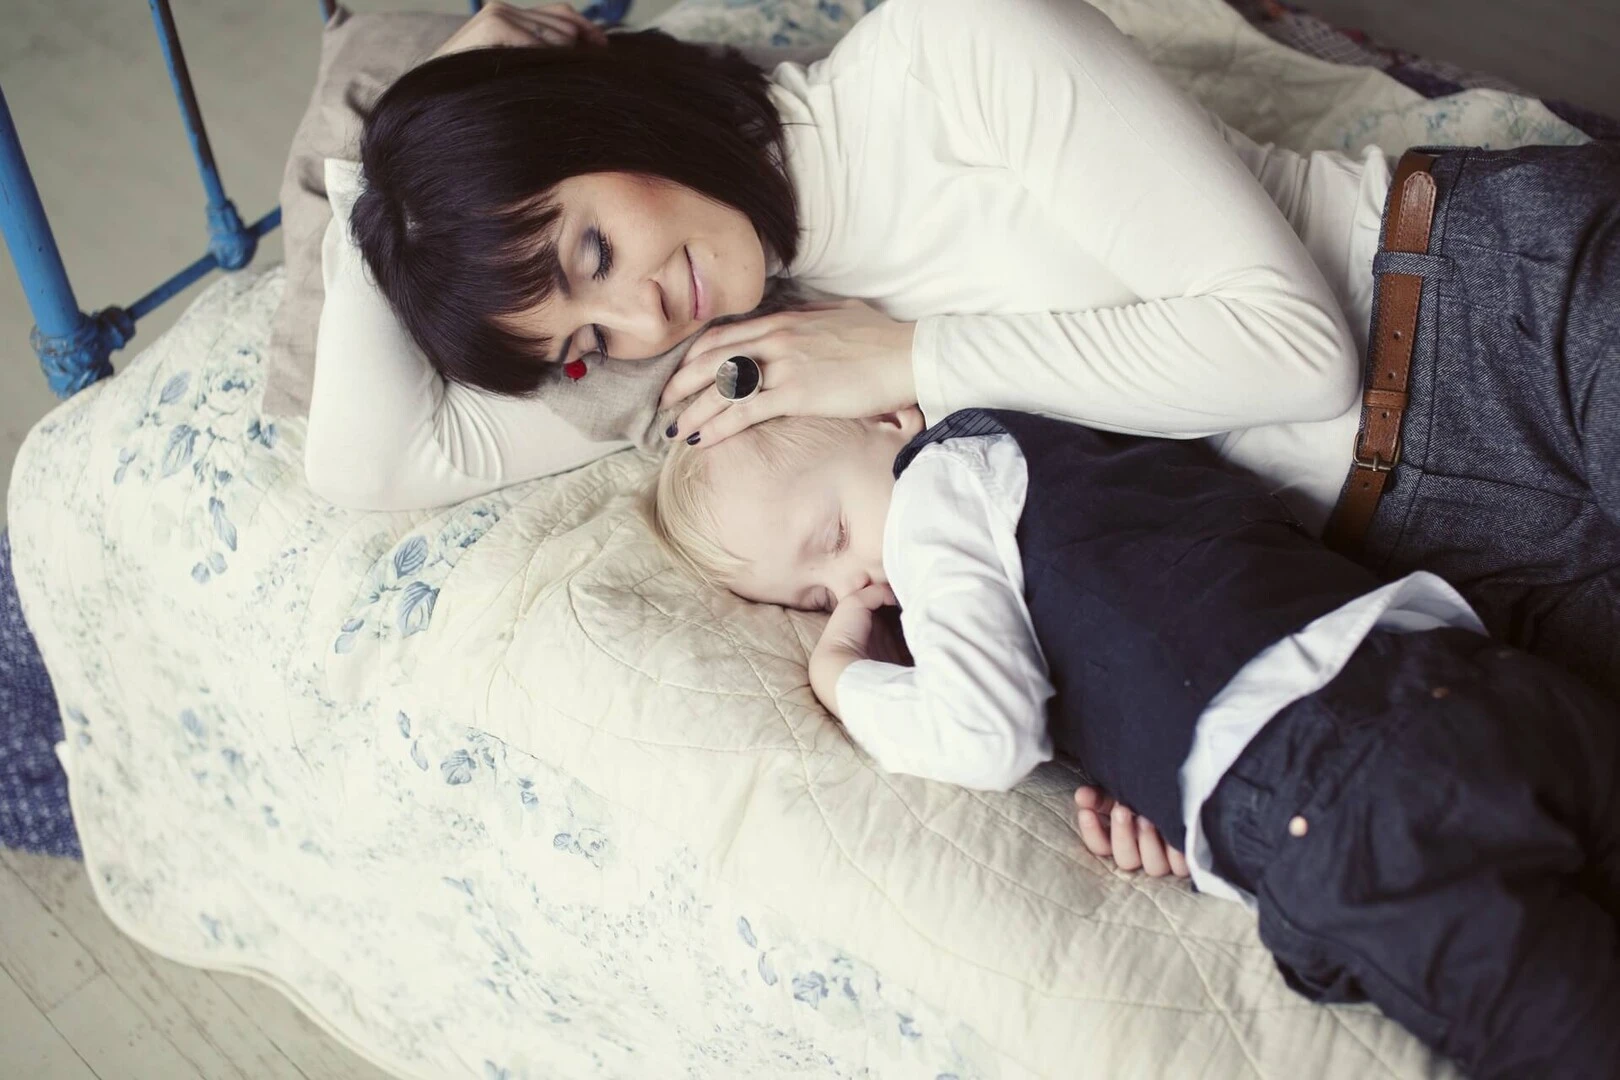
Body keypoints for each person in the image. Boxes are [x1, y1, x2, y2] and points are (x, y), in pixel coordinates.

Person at [309, 0, 1620, 709]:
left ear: (599, 116)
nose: (646, 325)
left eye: (593, 253)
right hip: (1440, 555)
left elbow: (1292, 354)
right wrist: (380, 167)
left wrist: (912, 359)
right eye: (590, 343)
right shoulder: (746, 347)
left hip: (1497, 308)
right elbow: (369, 464)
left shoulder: (952, 50)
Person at [645, 403, 1620, 1079]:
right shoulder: (1052, 447)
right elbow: (1154, 621)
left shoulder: (934, 490)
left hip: (1333, 793)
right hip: (1455, 680)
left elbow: (987, 733)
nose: (863, 582)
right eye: (814, 599)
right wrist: (1169, 791)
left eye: (835, 534)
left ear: (890, 423)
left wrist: (846, 679)